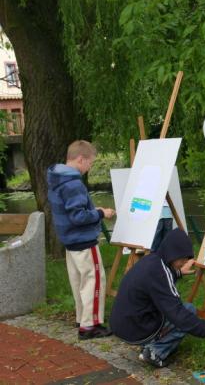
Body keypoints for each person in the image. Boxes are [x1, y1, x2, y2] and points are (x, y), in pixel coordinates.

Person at [110, 228, 205, 367]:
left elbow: (159, 284)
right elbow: (178, 314)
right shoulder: (160, 272)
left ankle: (150, 343)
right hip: (135, 329)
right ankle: (154, 352)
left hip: (122, 323)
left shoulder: (153, 260)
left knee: (180, 310)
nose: (184, 262)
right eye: (182, 259)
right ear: (172, 254)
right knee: (188, 311)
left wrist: (177, 273)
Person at [47, 140, 115, 340]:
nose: (89, 168)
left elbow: (70, 213)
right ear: (80, 159)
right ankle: (90, 326)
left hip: (70, 240)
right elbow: (78, 217)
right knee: (94, 281)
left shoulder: (57, 178)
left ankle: (82, 318)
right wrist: (101, 213)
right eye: (90, 163)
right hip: (83, 241)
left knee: (79, 281)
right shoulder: (74, 184)